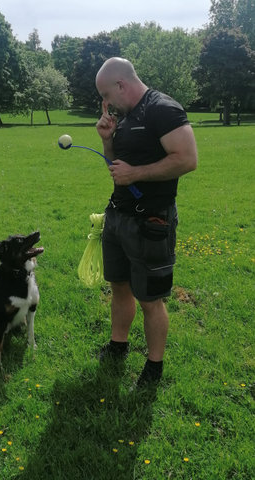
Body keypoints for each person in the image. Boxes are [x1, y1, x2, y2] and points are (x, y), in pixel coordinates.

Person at [95, 57, 197, 388]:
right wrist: (108, 140)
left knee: (151, 300)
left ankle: (154, 368)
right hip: (117, 217)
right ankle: (118, 346)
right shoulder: (123, 118)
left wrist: (135, 174)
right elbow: (117, 168)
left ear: (121, 86)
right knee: (119, 286)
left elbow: (187, 159)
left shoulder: (162, 109)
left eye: (106, 95)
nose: (105, 104)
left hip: (151, 223)